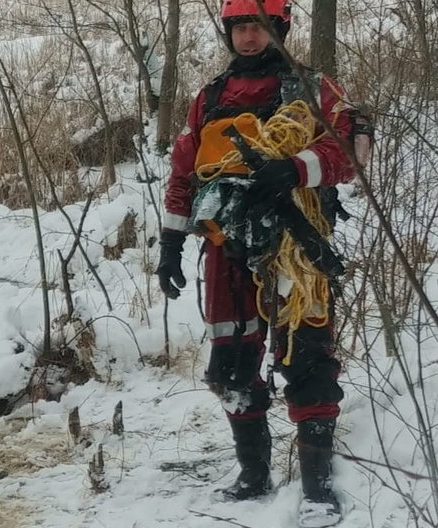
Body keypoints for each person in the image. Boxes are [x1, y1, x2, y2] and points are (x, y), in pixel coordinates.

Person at [156, 1, 358, 526]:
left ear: (280, 30)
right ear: (230, 33)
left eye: (260, 27)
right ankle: (253, 475)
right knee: (232, 359)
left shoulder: (313, 87)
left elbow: (348, 154)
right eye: (241, 27)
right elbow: (184, 175)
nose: (249, 37)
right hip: (225, 247)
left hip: (296, 240)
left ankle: (317, 487)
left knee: (307, 356)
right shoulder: (209, 98)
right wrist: (171, 245)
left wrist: (294, 169)